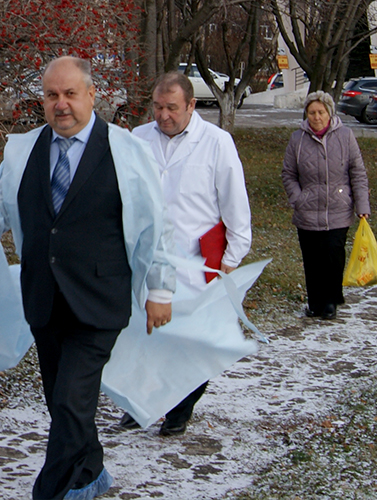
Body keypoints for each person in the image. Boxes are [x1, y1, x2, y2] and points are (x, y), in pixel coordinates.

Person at [0, 56, 176, 500]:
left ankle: (51, 491)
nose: (61, 104)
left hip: (100, 297)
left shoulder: (127, 150)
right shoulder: (23, 151)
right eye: (52, 95)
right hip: (44, 297)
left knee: (71, 400)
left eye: (70, 94)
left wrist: (160, 288)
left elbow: (156, 223)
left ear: (92, 95)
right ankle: (91, 471)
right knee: (61, 400)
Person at [128, 71, 253, 436]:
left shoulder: (216, 142)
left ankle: (179, 409)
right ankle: (142, 402)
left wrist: (231, 258)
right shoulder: (138, 138)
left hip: (197, 263)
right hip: (148, 259)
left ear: (191, 105)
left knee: (189, 342)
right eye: (157, 107)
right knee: (145, 337)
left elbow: (235, 205)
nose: (163, 115)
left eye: (171, 107)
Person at [282, 91, 370, 320]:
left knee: (333, 255)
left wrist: (362, 205)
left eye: (321, 112)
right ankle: (315, 303)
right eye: (312, 112)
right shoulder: (297, 139)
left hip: (338, 209)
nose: (317, 117)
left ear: (329, 113)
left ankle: (331, 301)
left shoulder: (345, 136)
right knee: (312, 259)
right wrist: (298, 198)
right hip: (307, 211)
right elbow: (288, 173)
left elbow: (357, 172)